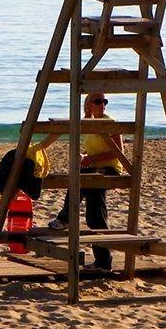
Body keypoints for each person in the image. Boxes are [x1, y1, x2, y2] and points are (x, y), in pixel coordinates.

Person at [47, 92, 124, 271]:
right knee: (95, 215)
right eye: (98, 101)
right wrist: (85, 157)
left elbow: (118, 152)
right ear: (89, 104)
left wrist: (90, 159)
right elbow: (93, 150)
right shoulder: (87, 124)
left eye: (104, 101)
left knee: (84, 186)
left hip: (110, 169)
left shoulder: (109, 122)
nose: (102, 104)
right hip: (94, 169)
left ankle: (65, 218)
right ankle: (103, 261)